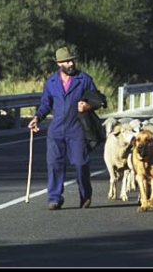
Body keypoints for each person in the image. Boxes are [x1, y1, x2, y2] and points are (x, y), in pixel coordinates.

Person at [28, 46, 101, 210]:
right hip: (56, 130)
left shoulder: (84, 79)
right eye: (67, 61)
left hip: (77, 129)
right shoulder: (51, 82)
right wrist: (36, 117)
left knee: (80, 163)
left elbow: (98, 100)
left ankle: (85, 194)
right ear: (59, 63)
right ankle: (54, 198)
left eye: (72, 60)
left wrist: (87, 106)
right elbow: (46, 104)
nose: (71, 63)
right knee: (54, 163)